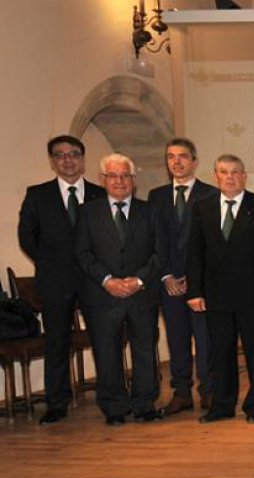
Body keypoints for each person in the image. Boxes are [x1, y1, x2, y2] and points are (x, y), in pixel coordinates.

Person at [17, 135, 105, 425]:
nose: (68, 160)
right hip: (56, 281)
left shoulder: (99, 194)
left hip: (94, 280)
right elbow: (27, 237)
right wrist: (50, 263)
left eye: (74, 154)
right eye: (60, 155)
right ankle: (57, 402)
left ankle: (110, 396)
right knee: (57, 342)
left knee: (104, 339)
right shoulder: (37, 195)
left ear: (83, 158)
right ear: (52, 161)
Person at [186, 154, 254, 424]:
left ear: (244, 175)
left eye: (235, 172)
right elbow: (195, 253)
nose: (230, 177)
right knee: (221, 352)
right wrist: (194, 291)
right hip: (216, 295)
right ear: (215, 175)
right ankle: (222, 405)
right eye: (224, 172)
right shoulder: (202, 208)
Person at [74, 153, 162, 426]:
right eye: (113, 176)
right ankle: (114, 407)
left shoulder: (150, 211)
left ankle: (145, 403)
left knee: (145, 350)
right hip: (102, 295)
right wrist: (107, 280)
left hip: (142, 294)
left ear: (133, 181)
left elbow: (160, 253)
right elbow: (83, 253)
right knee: (107, 351)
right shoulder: (87, 213)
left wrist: (138, 280)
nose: (120, 181)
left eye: (125, 175)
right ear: (103, 180)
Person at [148, 138, 218, 415]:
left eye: (183, 157)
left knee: (205, 341)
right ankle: (181, 393)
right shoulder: (156, 197)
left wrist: (194, 276)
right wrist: (166, 276)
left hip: (200, 284)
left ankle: (209, 391)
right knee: (176, 340)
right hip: (169, 285)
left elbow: (213, 243)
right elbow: (153, 241)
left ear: (195, 162)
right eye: (171, 157)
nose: (176, 162)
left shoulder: (212, 194)